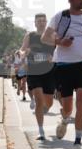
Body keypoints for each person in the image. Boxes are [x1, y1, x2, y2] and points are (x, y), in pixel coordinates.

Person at [42, 0, 82, 149]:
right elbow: (45, 37)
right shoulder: (60, 16)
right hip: (63, 65)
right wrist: (60, 42)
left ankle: (77, 144)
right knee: (67, 107)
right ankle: (65, 119)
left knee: (81, 102)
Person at [20, 13, 57, 141]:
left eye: (43, 21)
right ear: (35, 23)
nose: (41, 23)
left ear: (46, 22)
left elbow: (60, 50)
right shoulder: (30, 35)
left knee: (49, 102)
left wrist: (54, 57)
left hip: (50, 72)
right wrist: (23, 53)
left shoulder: (52, 35)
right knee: (39, 100)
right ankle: (41, 131)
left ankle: (44, 108)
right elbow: (22, 49)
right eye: (39, 21)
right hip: (34, 71)